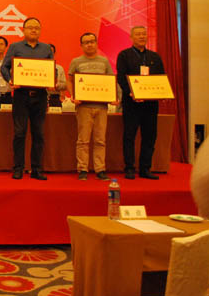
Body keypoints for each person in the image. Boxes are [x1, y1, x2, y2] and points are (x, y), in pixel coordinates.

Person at [1, 17, 53, 180]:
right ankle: (18, 168)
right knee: (19, 133)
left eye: (37, 27)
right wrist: (10, 80)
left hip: (40, 96)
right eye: (30, 27)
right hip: (21, 96)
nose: (33, 30)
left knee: (39, 134)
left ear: (40, 30)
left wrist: (52, 81)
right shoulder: (15, 47)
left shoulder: (46, 48)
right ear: (23, 30)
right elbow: (4, 67)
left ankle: (37, 169)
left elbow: (51, 70)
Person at [116, 26, 165, 180]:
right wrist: (130, 93)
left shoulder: (154, 57)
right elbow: (121, 77)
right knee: (129, 136)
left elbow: (161, 78)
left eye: (144, 34)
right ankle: (129, 168)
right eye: (138, 34)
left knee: (150, 136)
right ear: (131, 37)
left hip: (150, 104)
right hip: (131, 103)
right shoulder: (124, 55)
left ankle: (145, 168)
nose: (142, 36)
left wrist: (162, 92)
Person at [67, 32, 114, 181]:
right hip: (83, 107)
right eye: (86, 42)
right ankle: (82, 169)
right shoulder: (76, 62)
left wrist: (113, 97)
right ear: (81, 45)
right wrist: (73, 95)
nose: (89, 44)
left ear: (96, 43)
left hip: (101, 106)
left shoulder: (104, 61)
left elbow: (110, 81)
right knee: (83, 140)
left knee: (100, 140)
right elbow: (69, 80)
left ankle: (100, 169)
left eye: (92, 41)